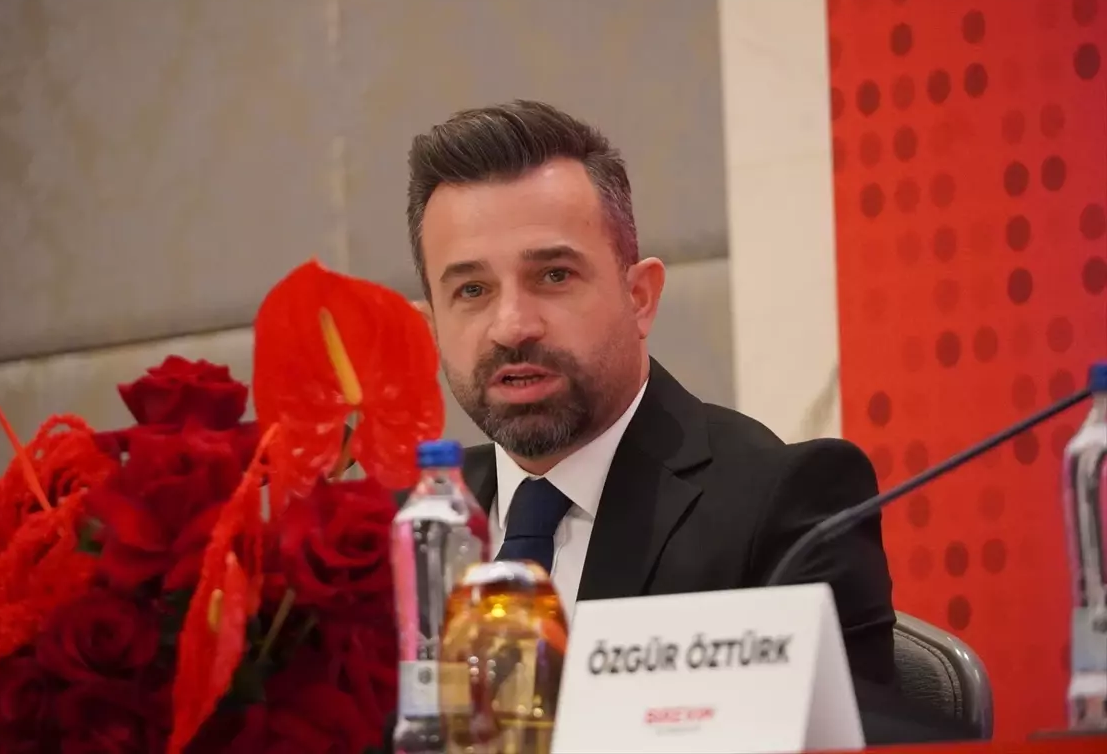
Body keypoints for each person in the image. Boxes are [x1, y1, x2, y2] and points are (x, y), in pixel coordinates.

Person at [394, 99, 980, 745]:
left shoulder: (783, 507)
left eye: (554, 275)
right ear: (431, 328)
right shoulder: (399, 539)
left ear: (640, 298)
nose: (512, 326)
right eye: (472, 291)